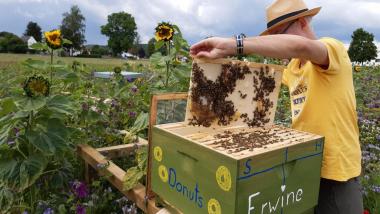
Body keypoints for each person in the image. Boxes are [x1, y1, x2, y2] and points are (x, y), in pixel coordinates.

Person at [189, 0, 363, 213]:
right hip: (303, 163)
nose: (277, 43)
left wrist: (234, 44)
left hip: (336, 173)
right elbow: (253, 85)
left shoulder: (332, 50)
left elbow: (300, 46)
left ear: (302, 22)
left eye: (280, 34)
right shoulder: (291, 68)